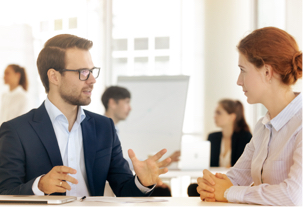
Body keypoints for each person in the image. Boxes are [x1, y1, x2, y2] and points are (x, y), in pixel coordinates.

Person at [0, 34, 171, 197]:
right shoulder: (17, 131)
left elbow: (124, 189)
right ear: (54, 76)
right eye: (83, 72)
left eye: (92, 71)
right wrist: (40, 185)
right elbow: (5, 192)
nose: (92, 80)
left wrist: (142, 182)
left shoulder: (105, 127)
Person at [197, 27, 302, 205]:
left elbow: (293, 196)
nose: (239, 81)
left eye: (243, 70)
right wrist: (212, 186)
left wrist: (229, 192)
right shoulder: (263, 126)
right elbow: (236, 177)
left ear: (267, 72)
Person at [101, 86, 181, 196]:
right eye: (126, 102)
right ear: (112, 103)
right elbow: (113, 164)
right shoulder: (101, 130)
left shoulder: (113, 129)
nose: (130, 108)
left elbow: (117, 162)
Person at [187, 99, 251, 196]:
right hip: (215, 181)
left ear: (232, 117)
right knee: (194, 188)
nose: (214, 116)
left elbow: (243, 170)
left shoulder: (245, 137)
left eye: (219, 113)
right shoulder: (213, 137)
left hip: (234, 185)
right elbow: (209, 165)